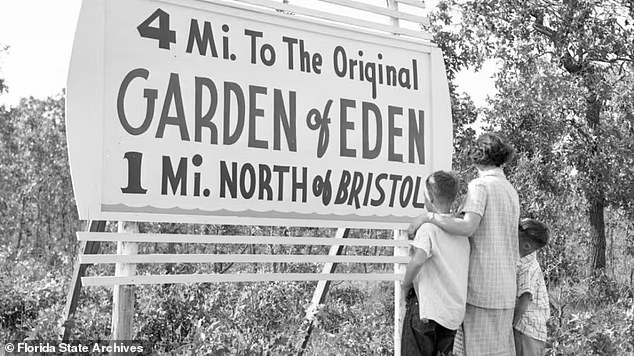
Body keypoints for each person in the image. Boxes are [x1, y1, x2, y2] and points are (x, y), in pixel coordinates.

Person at [408, 132, 520, 355]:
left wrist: (428, 218)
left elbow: (468, 226)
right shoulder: (510, 190)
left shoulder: (481, 186)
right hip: (506, 287)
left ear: (477, 156)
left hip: (482, 287)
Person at [401, 170, 470, 356]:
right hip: (451, 315)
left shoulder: (428, 228)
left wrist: (405, 285)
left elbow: (417, 261)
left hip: (427, 309)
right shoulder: (462, 233)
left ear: (429, 197)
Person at [513, 218, 550, 356]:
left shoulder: (527, 268)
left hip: (526, 329)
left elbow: (524, 302)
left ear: (526, 246)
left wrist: (510, 325)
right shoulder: (525, 261)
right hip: (533, 333)